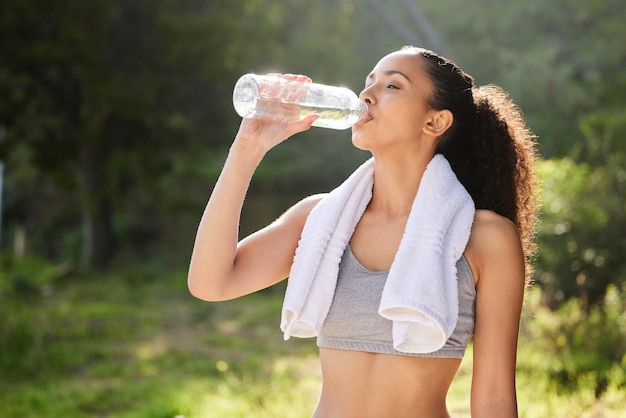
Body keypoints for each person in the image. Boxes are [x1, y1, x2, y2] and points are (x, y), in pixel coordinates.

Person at [188, 46, 539, 417]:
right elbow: (210, 283)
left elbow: (495, 398)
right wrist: (248, 148)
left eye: (392, 86)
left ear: (435, 122)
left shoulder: (485, 238)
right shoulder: (321, 220)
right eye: (368, 83)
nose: (367, 95)